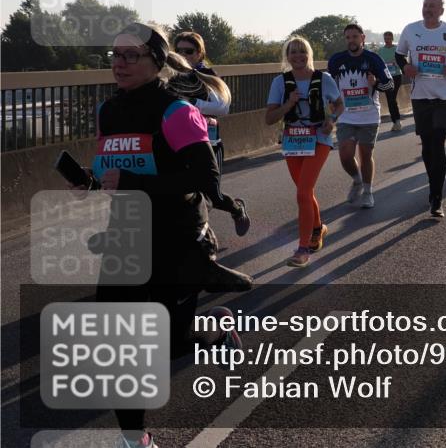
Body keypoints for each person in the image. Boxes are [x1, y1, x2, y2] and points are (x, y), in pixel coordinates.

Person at [73, 22, 250, 448]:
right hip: (127, 236)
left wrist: (135, 185)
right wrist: (89, 179)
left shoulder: (176, 111)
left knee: (170, 345)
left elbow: (206, 178)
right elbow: (112, 169)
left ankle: (216, 334)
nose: (119, 63)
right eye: (114, 56)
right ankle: (138, 441)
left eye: (131, 55)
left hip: (178, 238)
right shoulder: (108, 111)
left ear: (156, 61)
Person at [265, 36, 343, 267]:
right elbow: (269, 118)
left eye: (302, 52)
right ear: (287, 57)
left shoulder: (324, 79)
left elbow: (339, 104)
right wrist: (288, 104)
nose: (297, 56)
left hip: (319, 138)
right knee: (304, 191)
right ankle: (318, 228)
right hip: (293, 141)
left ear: (309, 53)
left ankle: (303, 249)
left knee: (303, 192)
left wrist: (332, 120)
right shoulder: (280, 82)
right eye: (293, 53)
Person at [395, 0, 446, 217]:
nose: (428, 9)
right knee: (427, 145)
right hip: (420, 94)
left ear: (441, 11)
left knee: (439, 140)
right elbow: (399, 56)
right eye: (425, 5)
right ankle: (432, 183)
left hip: (445, 95)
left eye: (432, 6)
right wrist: (406, 67)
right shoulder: (410, 29)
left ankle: (436, 197)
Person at [172, 34, 250, 236]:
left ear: (199, 53)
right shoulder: (172, 77)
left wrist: (190, 104)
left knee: (213, 195)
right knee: (184, 194)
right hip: (179, 145)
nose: (183, 55)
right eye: (178, 50)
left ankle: (236, 208)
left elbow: (222, 107)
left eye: (188, 51)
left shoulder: (207, 74)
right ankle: (199, 238)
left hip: (209, 143)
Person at [327, 24, 394, 209]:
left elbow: (390, 85)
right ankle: (357, 180)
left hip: (369, 116)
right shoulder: (336, 60)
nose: (351, 40)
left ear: (363, 38)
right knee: (345, 155)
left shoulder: (373, 59)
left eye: (355, 36)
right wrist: (331, 103)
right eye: (348, 37)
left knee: (365, 155)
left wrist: (377, 82)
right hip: (346, 116)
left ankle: (368, 191)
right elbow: (329, 85)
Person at [378, 31, 405, 131]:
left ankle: (397, 121)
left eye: (389, 38)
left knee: (392, 98)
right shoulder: (381, 50)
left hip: (396, 76)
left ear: (392, 39)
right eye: (385, 38)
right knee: (390, 99)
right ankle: (395, 122)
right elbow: (379, 64)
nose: (387, 40)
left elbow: (402, 61)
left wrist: (395, 63)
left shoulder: (397, 49)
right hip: (386, 77)